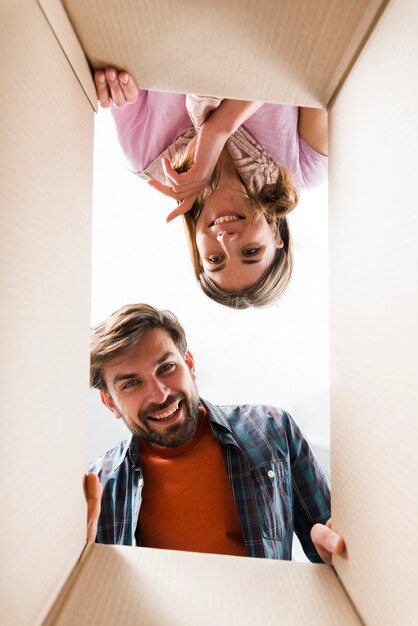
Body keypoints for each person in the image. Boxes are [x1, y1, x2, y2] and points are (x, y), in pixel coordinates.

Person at [86, 303, 344, 564]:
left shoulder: (273, 429)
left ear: (189, 364)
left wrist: (335, 553)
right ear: (110, 403)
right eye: (131, 384)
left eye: (166, 368)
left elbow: (330, 540)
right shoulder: (97, 486)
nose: (160, 395)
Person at [94, 69, 328, 309]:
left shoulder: (148, 156)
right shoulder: (302, 168)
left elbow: (125, 58)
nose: (226, 240)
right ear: (276, 235)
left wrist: (113, 81)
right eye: (250, 251)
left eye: (215, 259)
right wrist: (217, 130)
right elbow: (314, 62)